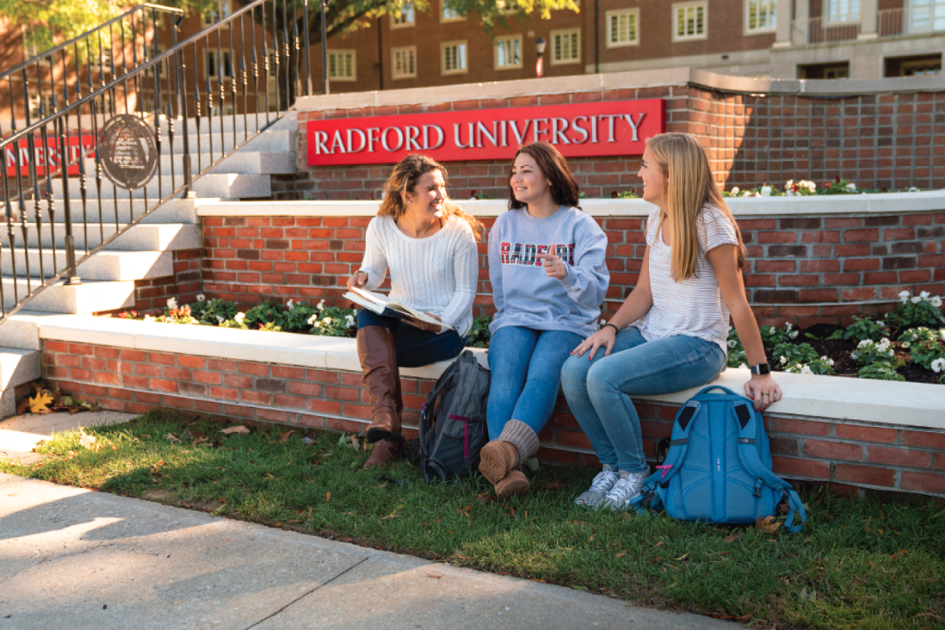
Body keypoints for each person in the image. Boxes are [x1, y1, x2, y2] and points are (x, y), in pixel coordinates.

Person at [560, 132, 782, 511]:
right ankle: (611, 468)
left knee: (603, 376)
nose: (639, 172)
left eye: (646, 165)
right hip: (653, 333)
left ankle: (634, 474)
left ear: (672, 174)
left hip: (698, 346)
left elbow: (737, 303)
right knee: (574, 369)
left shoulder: (711, 224)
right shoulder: (657, 217)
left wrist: (760, 371)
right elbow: (645, 292)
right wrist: (610, 328)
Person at [480, 142, 609, 497]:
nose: (516, 178)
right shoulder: (505, 224)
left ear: (550, 177)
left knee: (542, 373)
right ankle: (508, 472)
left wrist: (567, 274)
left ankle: (503, 459)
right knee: (505, 370)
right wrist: (505, 321)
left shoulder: (579, 225)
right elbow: (500, 287)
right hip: (516, 318)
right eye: (514, 171)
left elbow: (595, 292)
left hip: (567, 321)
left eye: (526, 171)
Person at [347, 154, 480, 469]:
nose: (441, 195)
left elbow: (465, 293)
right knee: (366, 312)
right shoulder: (381, 226)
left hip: (445, 330)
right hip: (404, 317)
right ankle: (387, 419)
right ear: (408, 195)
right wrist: (363, 277)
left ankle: (389, 438)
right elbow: (375, 271)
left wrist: (440, 322)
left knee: (378, 350)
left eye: (442, 186)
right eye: (431, 188)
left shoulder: (458, 231)